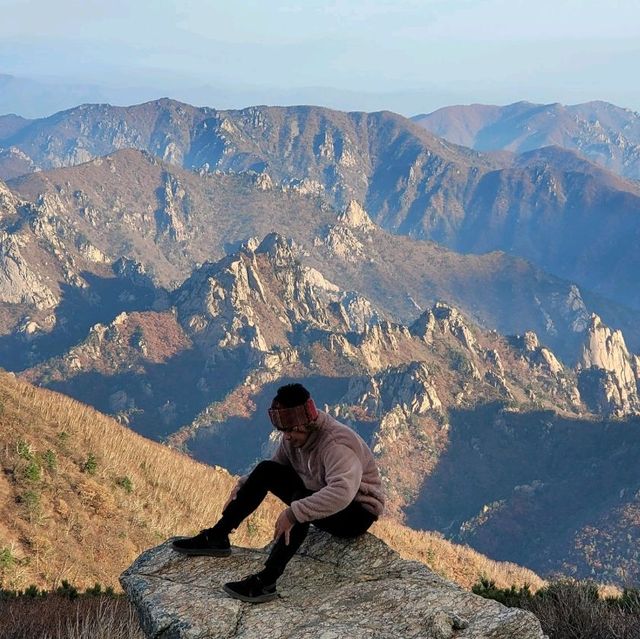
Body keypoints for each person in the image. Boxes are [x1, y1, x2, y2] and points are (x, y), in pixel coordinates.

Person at [172, 383, 385, 603]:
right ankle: (217, 537)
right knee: (266, 469)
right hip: (321, 494)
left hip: (356, 514)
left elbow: (342, 492)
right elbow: (275, 467)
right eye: (284, 431)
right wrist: (241, 489)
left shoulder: (335, 444)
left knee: (302, 500)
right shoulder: (293, 436)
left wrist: (293, 513)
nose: (287, 437)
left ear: (306, 424)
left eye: (291, 431)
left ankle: (267, 581)